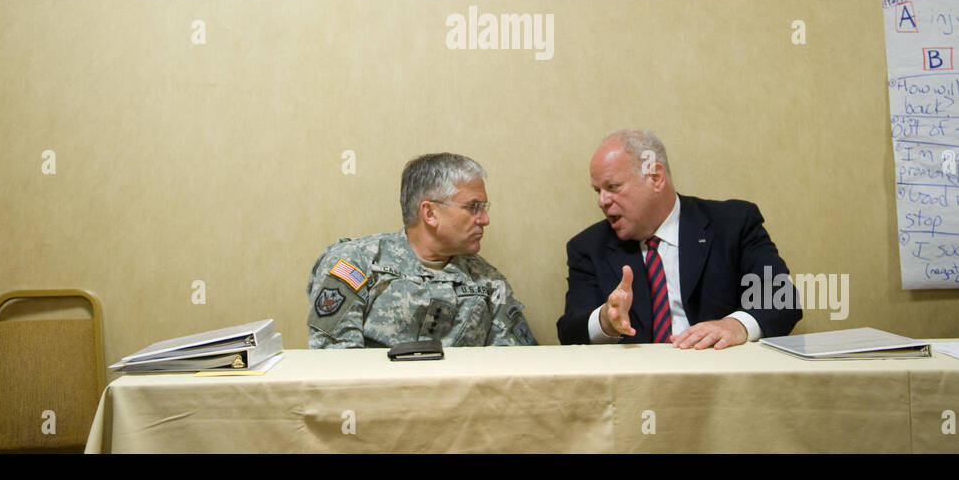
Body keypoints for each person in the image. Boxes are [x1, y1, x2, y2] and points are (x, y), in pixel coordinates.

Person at [557, 129, 801, 348]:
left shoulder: (733, 224)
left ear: (655, 177)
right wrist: (605, 321)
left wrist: (736, 326)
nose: (602, 201)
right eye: (597, 191)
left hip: (721, 381)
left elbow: (783, 300)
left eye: (612, 187)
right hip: (635, 390)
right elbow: (569, 331)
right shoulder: (589, 247)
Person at [308, 153, 537, 348]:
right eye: (473, 207)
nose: (484, 219)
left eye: (484, 208)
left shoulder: (488, 282)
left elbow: (518, 368)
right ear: (430, 213)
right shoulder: (357, 263)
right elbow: (335, 366)